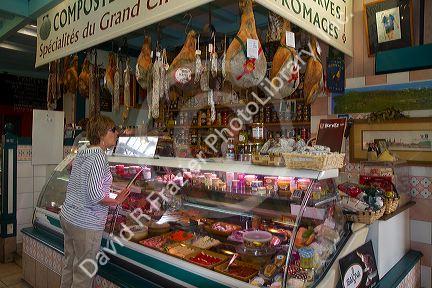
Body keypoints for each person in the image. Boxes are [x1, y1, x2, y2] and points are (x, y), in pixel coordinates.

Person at [59, 115, 131, 288]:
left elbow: (78, 178)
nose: (116, 133)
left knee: (69, 265)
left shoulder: (83, 151)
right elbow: (96, 196)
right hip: (86, 224)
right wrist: (117, 200)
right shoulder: (99, 157)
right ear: (101, 134)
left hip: (69, 217)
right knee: (83, 275)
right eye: (113, 130)